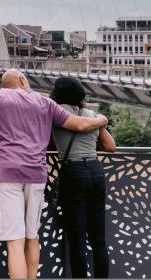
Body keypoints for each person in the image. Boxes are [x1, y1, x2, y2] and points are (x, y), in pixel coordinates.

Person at [0, 68, 108, 280]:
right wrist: (101, 120)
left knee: (15, 241)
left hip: (5, 175)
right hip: (36, 175)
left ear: (4, 84)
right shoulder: (45, 102)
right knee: (32, 236)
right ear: (22, 79)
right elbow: (81, 124)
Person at [51, 76, 116, 279]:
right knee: (99, 239)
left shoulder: (56, 113)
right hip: (96, 171)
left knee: (77, 239)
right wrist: (100, 124)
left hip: (74, 173)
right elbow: (111, 147)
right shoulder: (92, 114)